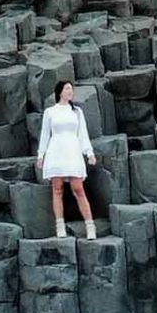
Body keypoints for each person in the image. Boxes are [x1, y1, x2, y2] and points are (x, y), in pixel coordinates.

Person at [35, 79, 97, 238]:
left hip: (72, 151)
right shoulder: (50, 112)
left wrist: (89, 153)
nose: (70, 91)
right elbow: (45, 134)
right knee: (57, 189)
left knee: (78, 188)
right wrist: (41, 155)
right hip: (56, 151)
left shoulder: (77, 112)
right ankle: (60, 226)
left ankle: (90, 226)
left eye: (71, 89)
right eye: (67, 89)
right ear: (60, 92)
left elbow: (83, 134)